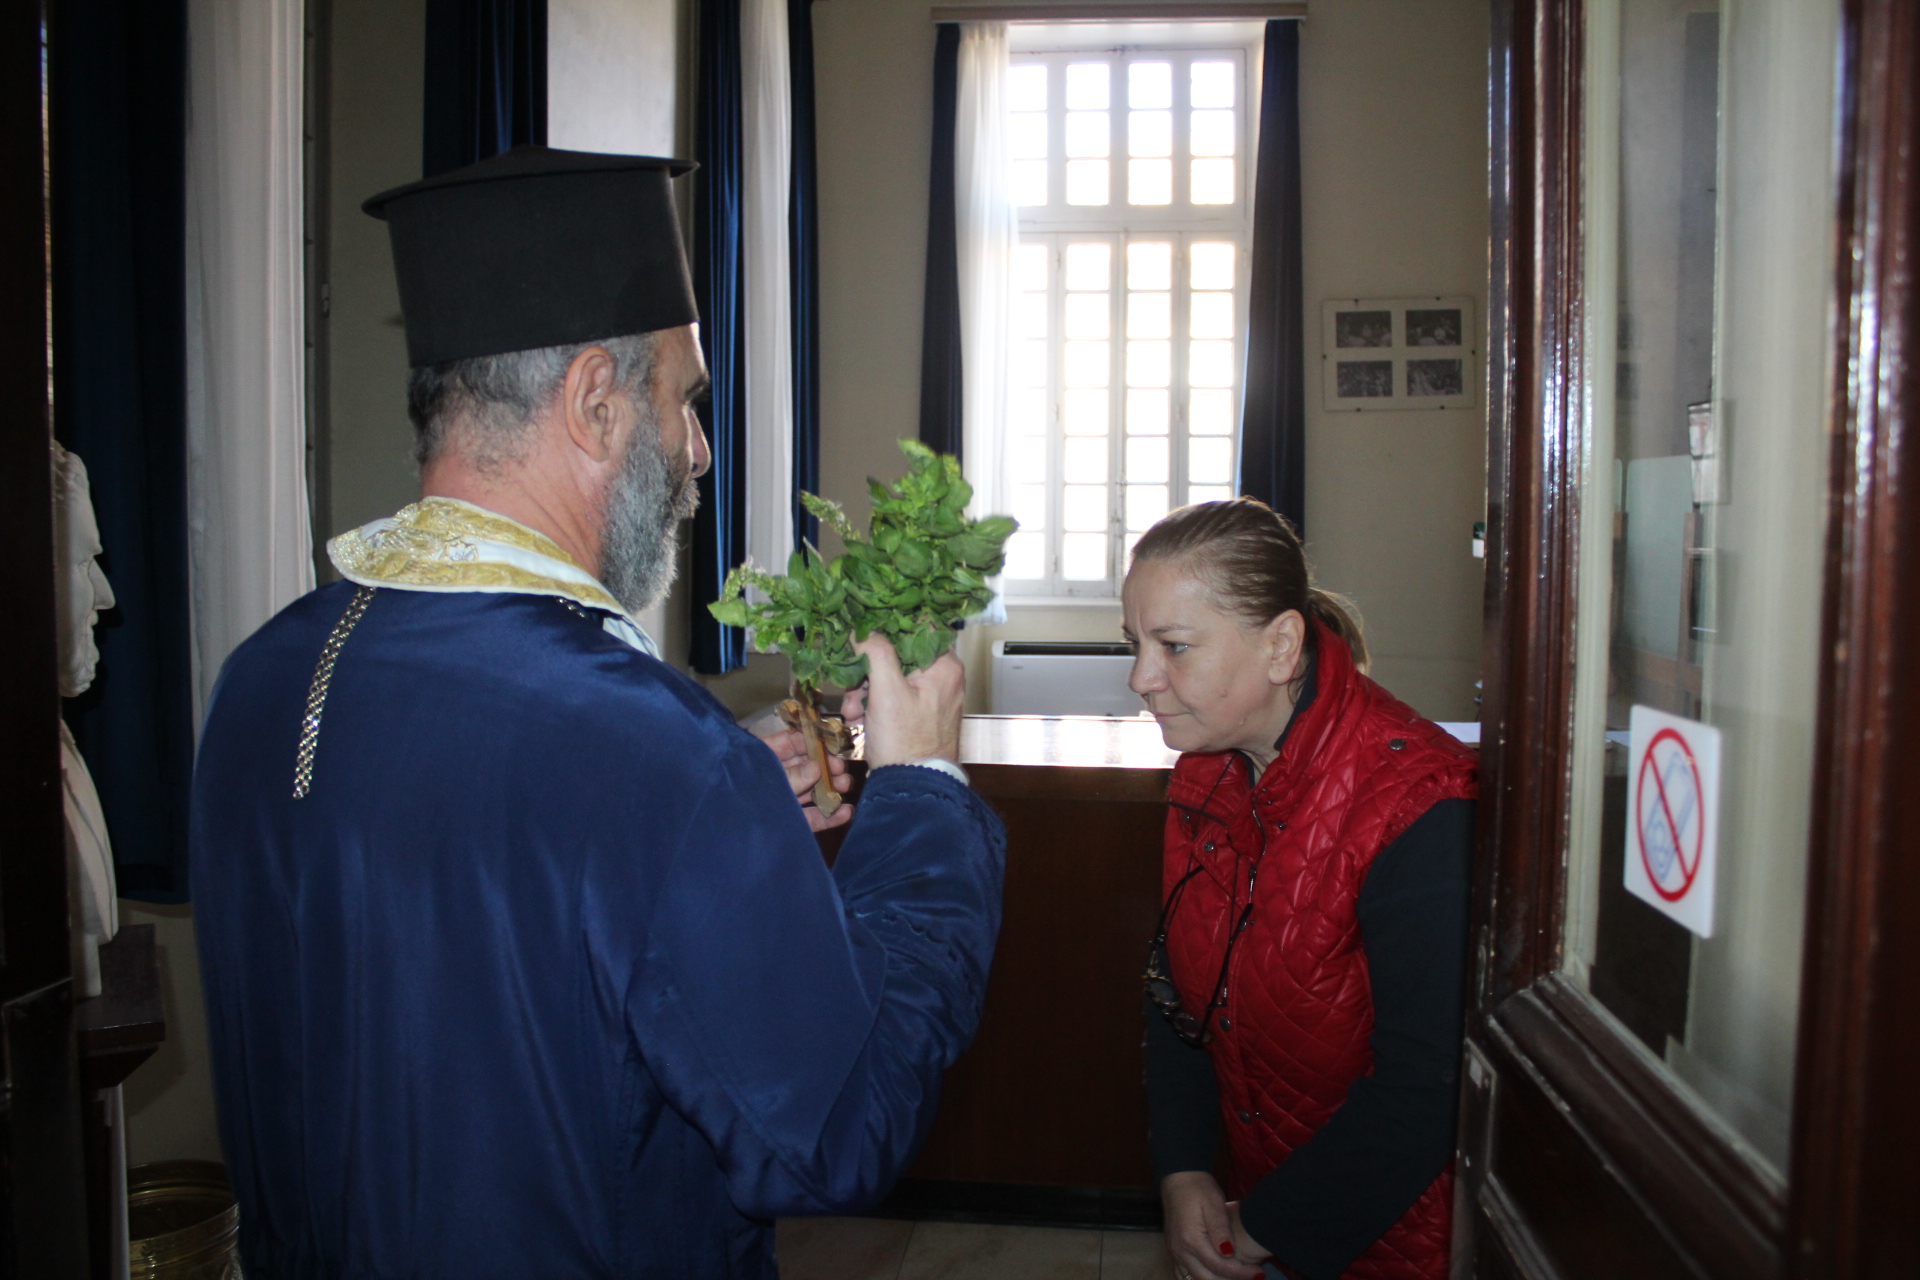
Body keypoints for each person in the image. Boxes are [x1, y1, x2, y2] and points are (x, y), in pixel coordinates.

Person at [190, 146, 1006, 1279]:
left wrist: (721, 827)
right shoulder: (654, 752)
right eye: (685, 401)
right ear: (593, 401)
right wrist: (921, 794)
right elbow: (835, 1131)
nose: (698, 452)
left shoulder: (257, 676)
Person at [1124, 500, 1476, 1280]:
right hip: (1264, 1209)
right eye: (1135, 644)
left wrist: (1264, 1229)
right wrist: (1183, 1167)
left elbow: (1425, 1093)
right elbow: (1179, 995)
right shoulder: (1206, 774)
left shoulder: (1420, 804)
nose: (1140, 678)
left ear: (1281, 646)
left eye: (1174, 646)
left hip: (1391, 1244)